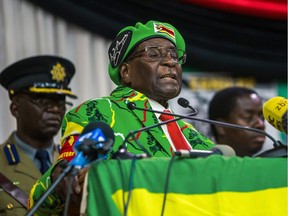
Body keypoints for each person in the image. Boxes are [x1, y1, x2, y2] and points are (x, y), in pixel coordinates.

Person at [28, 20, 215, 215]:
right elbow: (66, 177)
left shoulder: (193, 135)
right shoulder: (99, 112)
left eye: (174, 55)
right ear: (126, 72)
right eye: (153, 53)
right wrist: (64, 174)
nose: (170, 61)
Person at [0, 55, 77, 215]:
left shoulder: (73, 160)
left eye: (60, 103)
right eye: (44, 101)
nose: (55, 109)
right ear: (15, 109)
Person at [208, 86, 266, 157]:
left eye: (262, 118)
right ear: (220, 126)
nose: (260, 125)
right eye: (248, 117)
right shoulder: (204, 166)